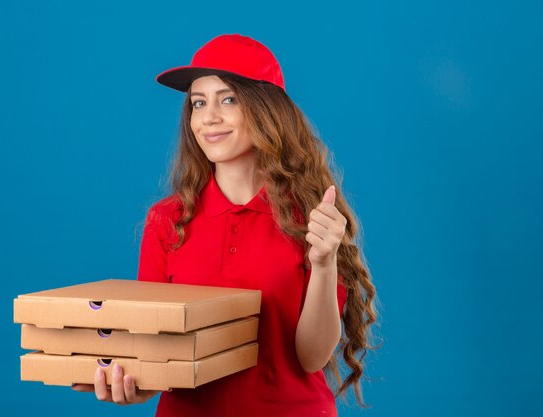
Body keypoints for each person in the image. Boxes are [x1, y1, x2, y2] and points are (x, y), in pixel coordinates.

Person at [73, 33, 378, 417]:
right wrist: (134, 387)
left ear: (267, 109)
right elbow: (155, 350)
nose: (209, 117)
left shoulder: (311, 219)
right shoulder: (168, 220)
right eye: (198, 103)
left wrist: (324, 262)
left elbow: (312, 359)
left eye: (228, 99)